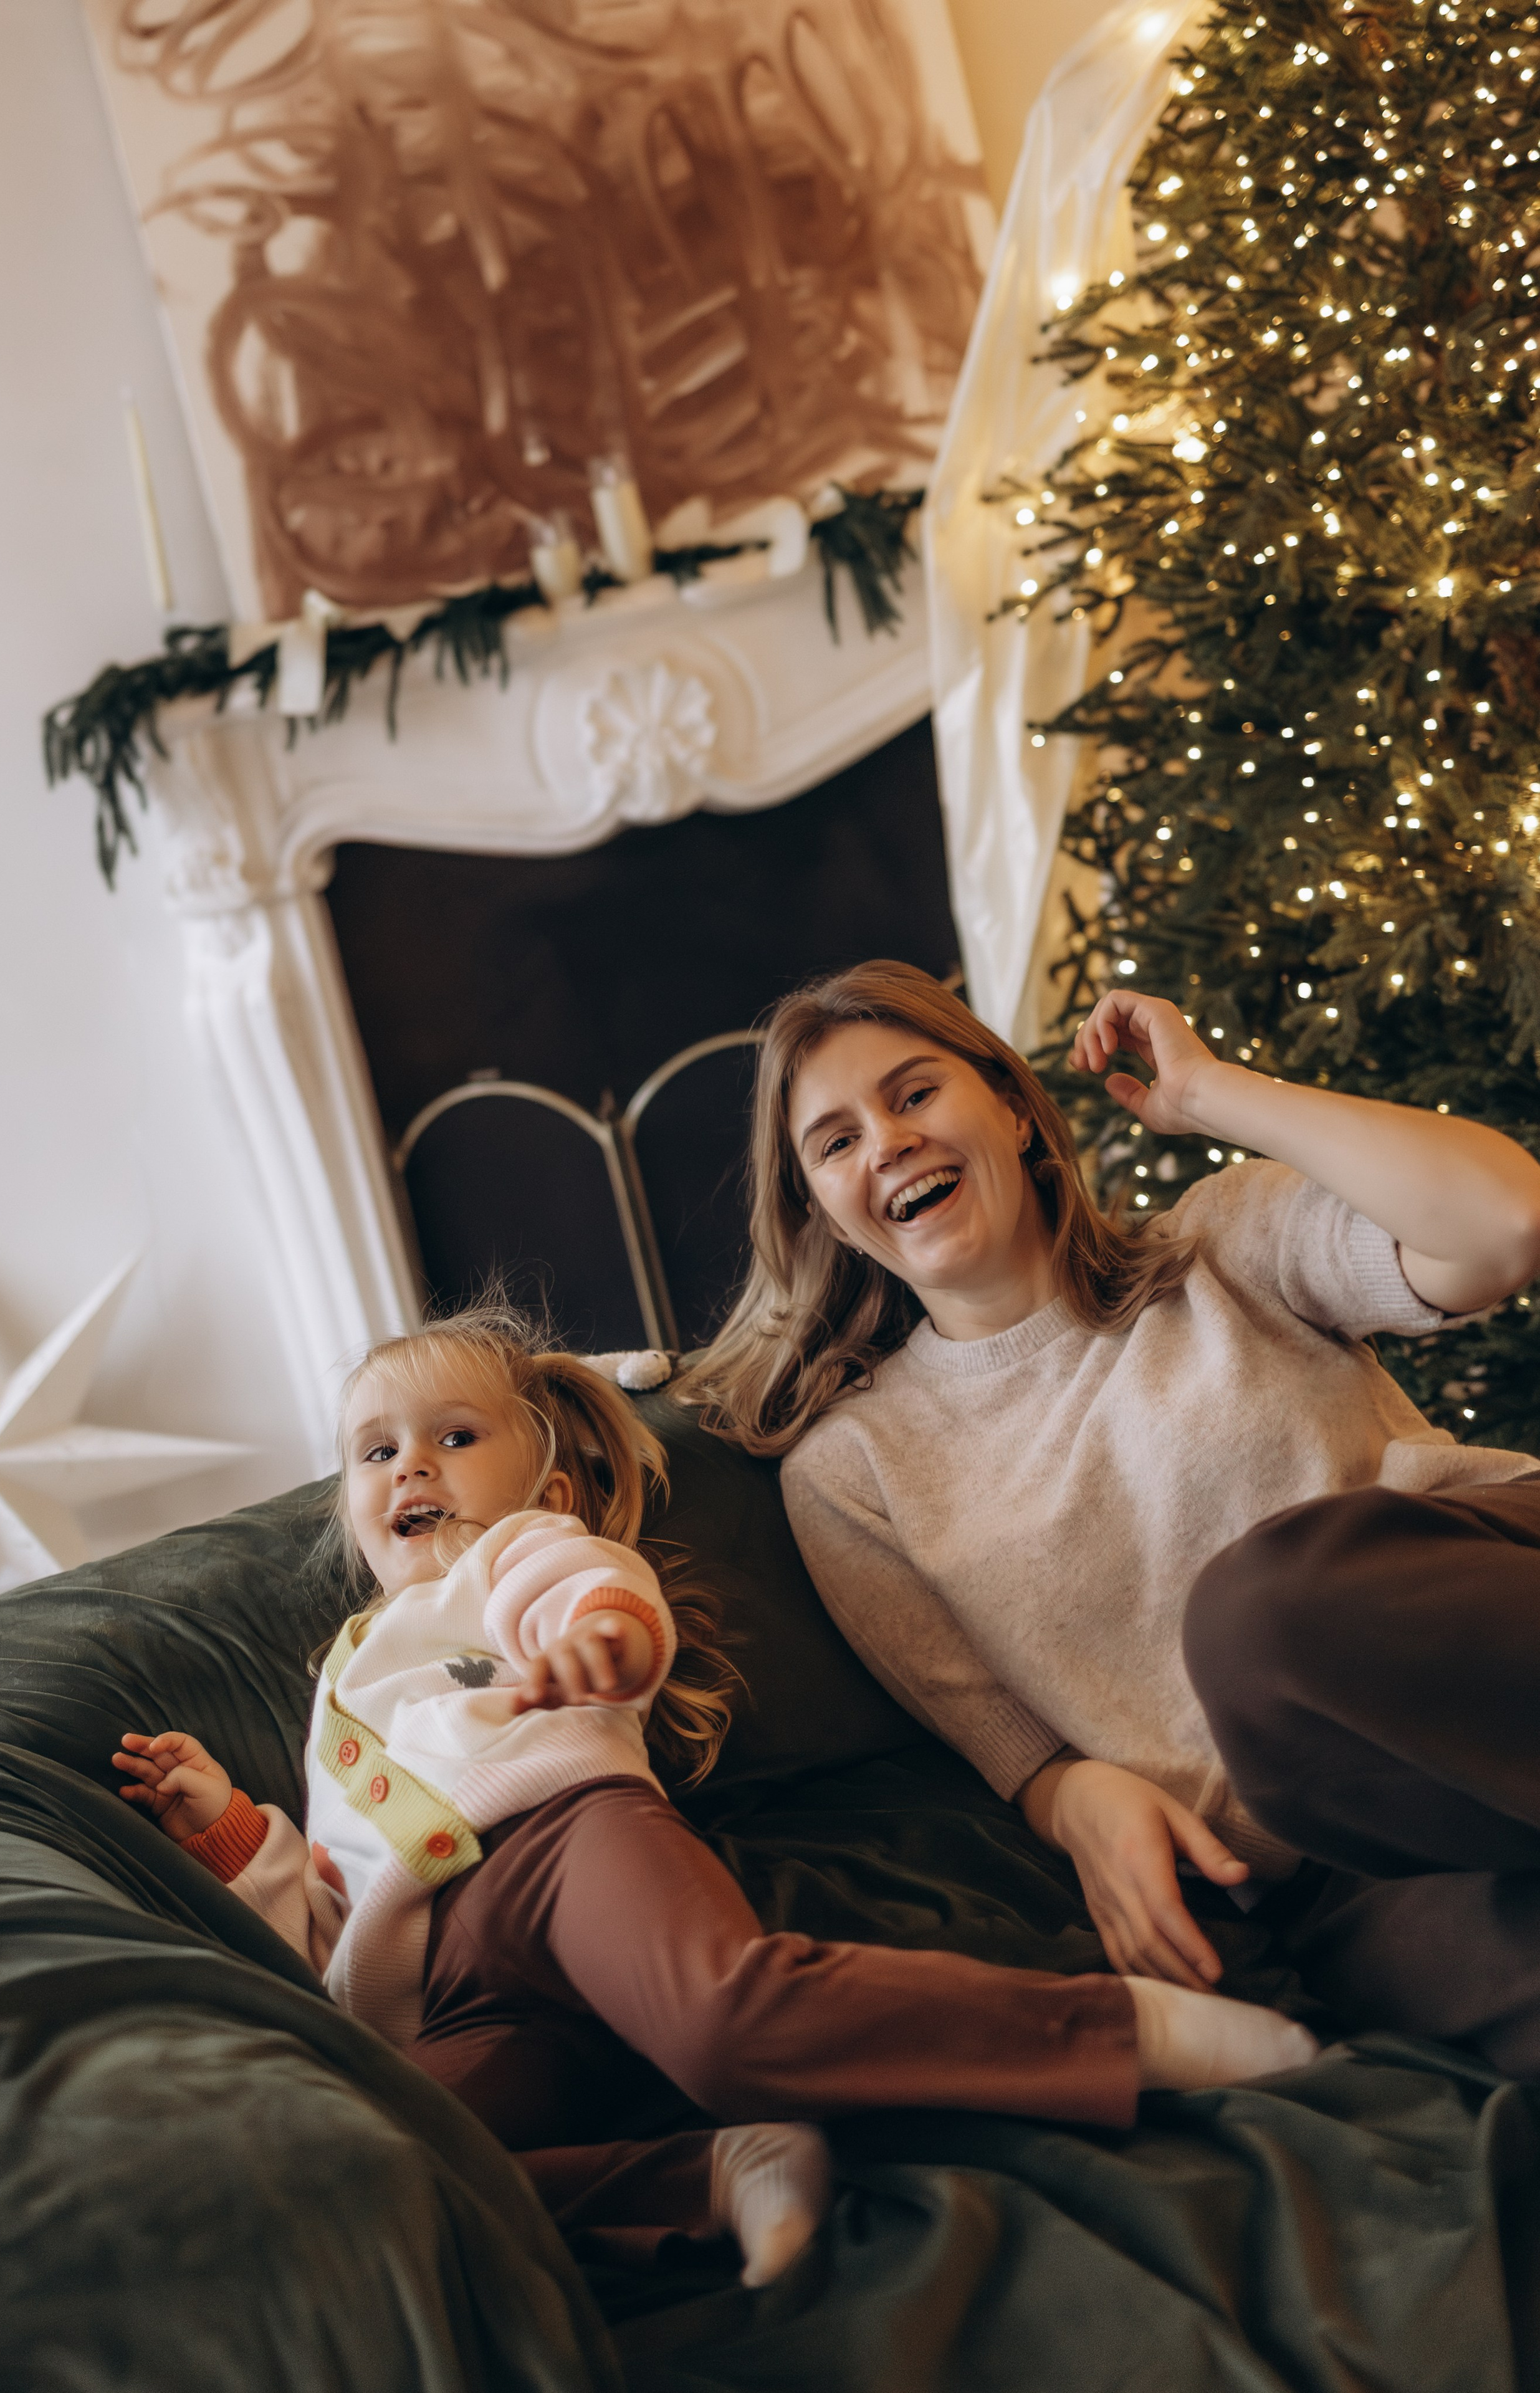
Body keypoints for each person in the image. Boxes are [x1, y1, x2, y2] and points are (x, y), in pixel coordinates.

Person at [113, 1305, 1312, 2286]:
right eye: (376, 1452)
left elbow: (608, 1607)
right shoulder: (340, 1682)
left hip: (567, 1839)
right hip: (449, 1991)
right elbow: (333, 1932)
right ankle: (716, 2176)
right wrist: (231, 1829)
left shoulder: (518, 1556)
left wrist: (606, 1651)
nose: (410, 1466)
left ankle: (1122, 2032)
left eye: (453, 1437)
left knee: (727, 2021)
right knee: (383, 2163)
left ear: (551, 1484)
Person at [687, 960, 1540, 2070]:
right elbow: (1012, 1746)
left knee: (1260, 1619)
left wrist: (1211, 1095)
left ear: (1014, 1109)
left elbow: (1506, 1223)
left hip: (1494, 1625)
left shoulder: (1220, 1245)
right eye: (836, 1142)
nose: (886, 1142)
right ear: (829, 1219)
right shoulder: (853, 1473)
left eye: (913, 1094)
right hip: (1342, 1862)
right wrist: (1072, 1795)